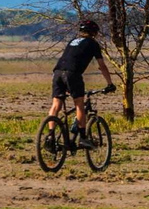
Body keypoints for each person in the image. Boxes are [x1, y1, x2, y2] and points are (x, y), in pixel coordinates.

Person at [47, 20, 115, 148]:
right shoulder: (93, 44)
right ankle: (83, 138)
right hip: (72, 74)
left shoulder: (72, 41)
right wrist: (110, 83)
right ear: (94, 33)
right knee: (79, 104)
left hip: (57, 73)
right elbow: (102, 66)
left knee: (56, 105)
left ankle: (50, 136)